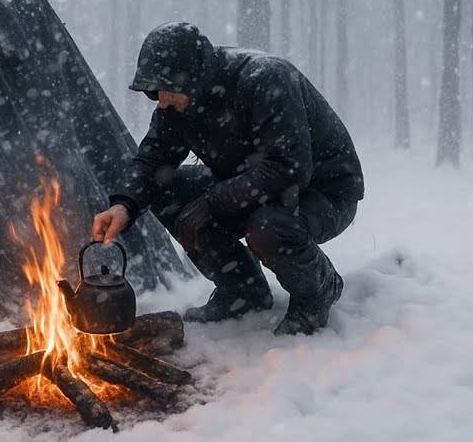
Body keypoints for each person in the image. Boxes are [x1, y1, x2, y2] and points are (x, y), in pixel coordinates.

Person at [92, 23, 364, 335]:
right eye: (153, 93)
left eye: (163, 90)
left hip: (322, 193)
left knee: (268, 227)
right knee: (167, 189)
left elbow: (289, 169)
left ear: (191, 77)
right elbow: (154, 160)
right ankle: (242, 291)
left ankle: (317, 291)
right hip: (249, 185)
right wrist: (124, 205)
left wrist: (212, 201)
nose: (161, 101)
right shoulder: (178, 103)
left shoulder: (265, 79)